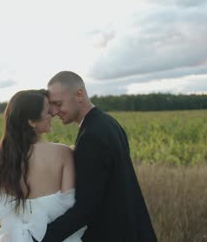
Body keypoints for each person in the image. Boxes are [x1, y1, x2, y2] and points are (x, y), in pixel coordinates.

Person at [39, 71, 157, 241]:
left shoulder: (92, 136)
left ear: (79, 95)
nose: (55, 111)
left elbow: (86, 207)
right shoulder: (108, 122)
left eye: (58, 103)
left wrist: (42, 237)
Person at [0, 89, 86, 241]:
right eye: (47, 112)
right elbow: (71, 206)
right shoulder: (63, 154)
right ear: (31, 121)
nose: (52, 115)